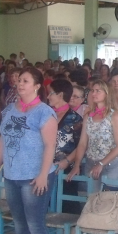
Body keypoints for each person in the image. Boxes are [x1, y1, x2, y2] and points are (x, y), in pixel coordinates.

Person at [0, 67, 58, 234]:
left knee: (35, 225)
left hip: (34, 176)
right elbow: (2, 141)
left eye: (26, 81)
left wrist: (42, 174)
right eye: (19, 80)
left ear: (37, 86)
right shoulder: (10, 110)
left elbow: (50, 146)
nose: (20, 84)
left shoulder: (44, 112)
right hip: (12, 174)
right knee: (19, 225)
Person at [70, 80, 118, 185]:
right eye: (92, 91)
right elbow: (82, 143)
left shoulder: (115, 116)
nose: (93, 94)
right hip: (90, 163)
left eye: (98, 91)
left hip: (109, 165)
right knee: (89, 199)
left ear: (107, 93)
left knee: (108, 200)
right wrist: (77, 164)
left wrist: (101, 163)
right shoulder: (88, 116)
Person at [47, 79, 82, 208]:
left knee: (67, 207)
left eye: (51, 93)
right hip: (45, 165)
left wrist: (66, 161)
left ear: (60, 95)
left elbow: (82, 145)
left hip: (66, 167)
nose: (48, 96)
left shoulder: (75, 119)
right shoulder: (45, 114)